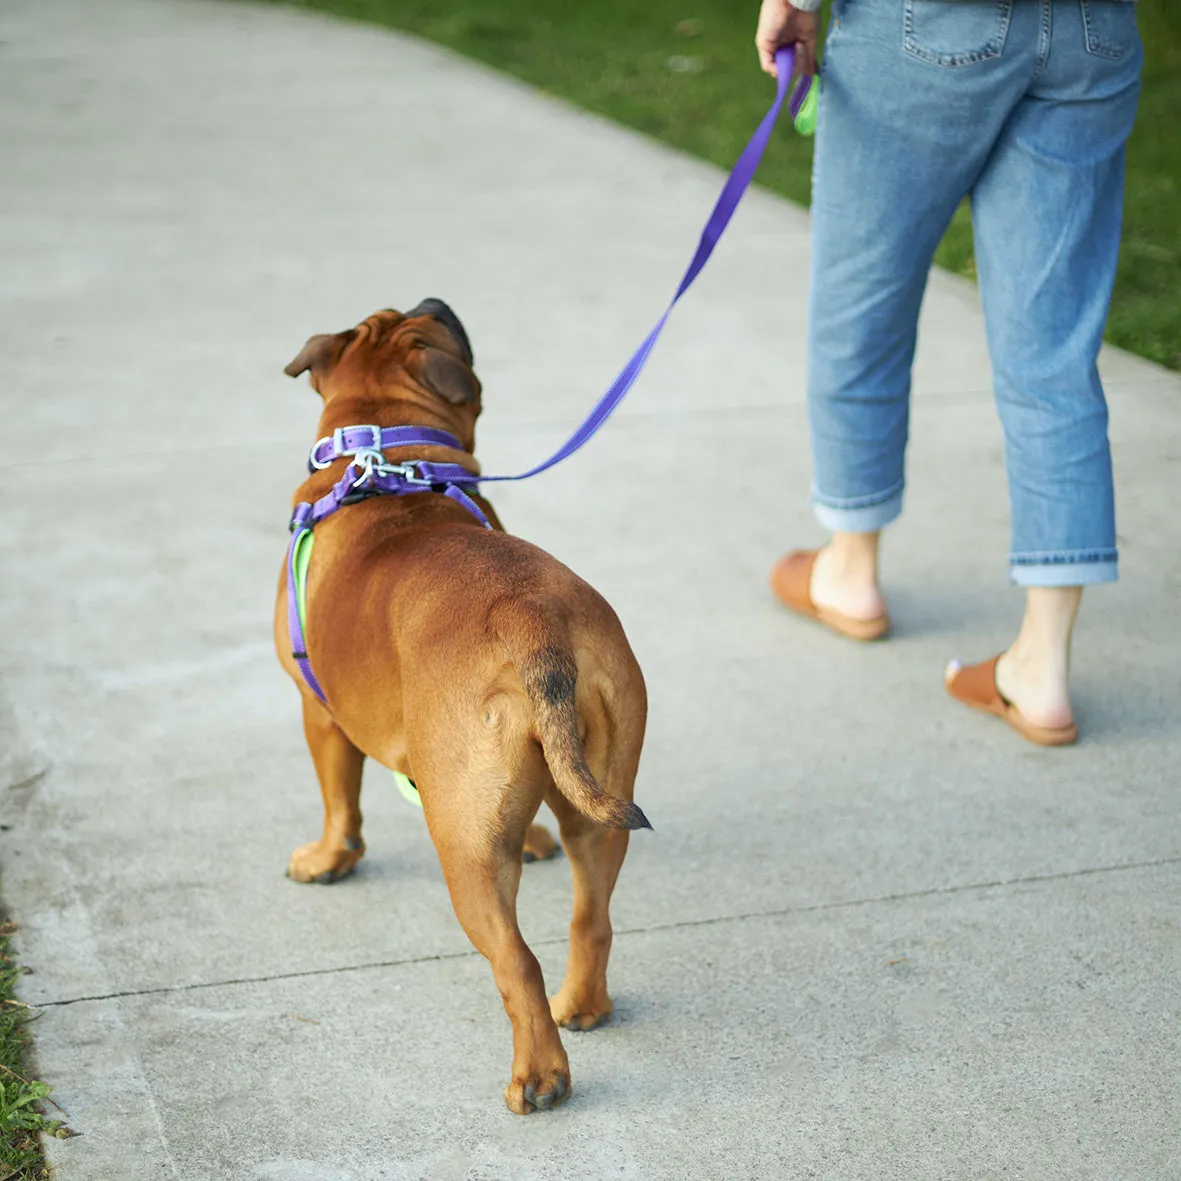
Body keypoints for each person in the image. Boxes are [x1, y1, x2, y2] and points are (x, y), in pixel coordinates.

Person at [754, 0, 1143, 746]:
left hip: (926, 25)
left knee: (861, 302)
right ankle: (1043, 665)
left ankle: (850, 569)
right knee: (1052, 356)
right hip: (1093, 29)